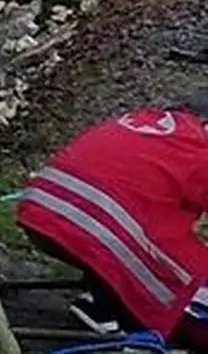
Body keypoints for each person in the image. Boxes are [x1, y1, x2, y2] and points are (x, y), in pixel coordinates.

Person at [15, 91, 208, 347]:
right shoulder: (200, 146)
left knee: (151, 223)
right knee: (189, 279)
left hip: (43, 207)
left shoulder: (145, 120)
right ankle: (107, 309)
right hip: (95, 224)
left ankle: (105, 294)